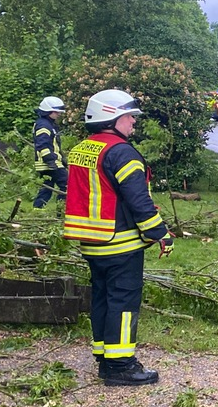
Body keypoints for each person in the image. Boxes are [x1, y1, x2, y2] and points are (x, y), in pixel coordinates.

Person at [62, 89, 172, 386]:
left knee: (102, 299)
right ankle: (121, 366)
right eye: (129, 117)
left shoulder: (83, 148)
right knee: (123, 303)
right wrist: (160, 233)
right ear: (111, 117)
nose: (133, 123)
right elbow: (138, 201)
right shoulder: (121, 152)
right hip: (120, 242)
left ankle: (105, 358)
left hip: (91, 242)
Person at [33, 96, 68, 209]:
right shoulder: (44, 125)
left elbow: (54, 145)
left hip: (48, 163)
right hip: (49, 163)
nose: (58, 114)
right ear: (48, 112)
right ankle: (61, 210)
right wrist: (50, 160)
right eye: (56, 112)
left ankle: (37, 210)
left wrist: (62, 159)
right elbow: (42, 144)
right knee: (67, 185)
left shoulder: (47, 124)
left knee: (46, 189)